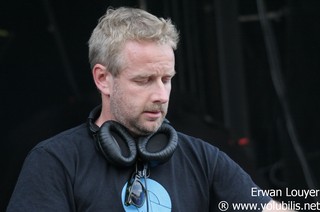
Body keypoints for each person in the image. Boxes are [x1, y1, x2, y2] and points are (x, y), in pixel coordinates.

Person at [7, 7, 294, 212]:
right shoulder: (55, 161)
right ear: (103, 78)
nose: (160, 95)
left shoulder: (204, 158)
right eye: (143, 80)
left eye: (166, 79)